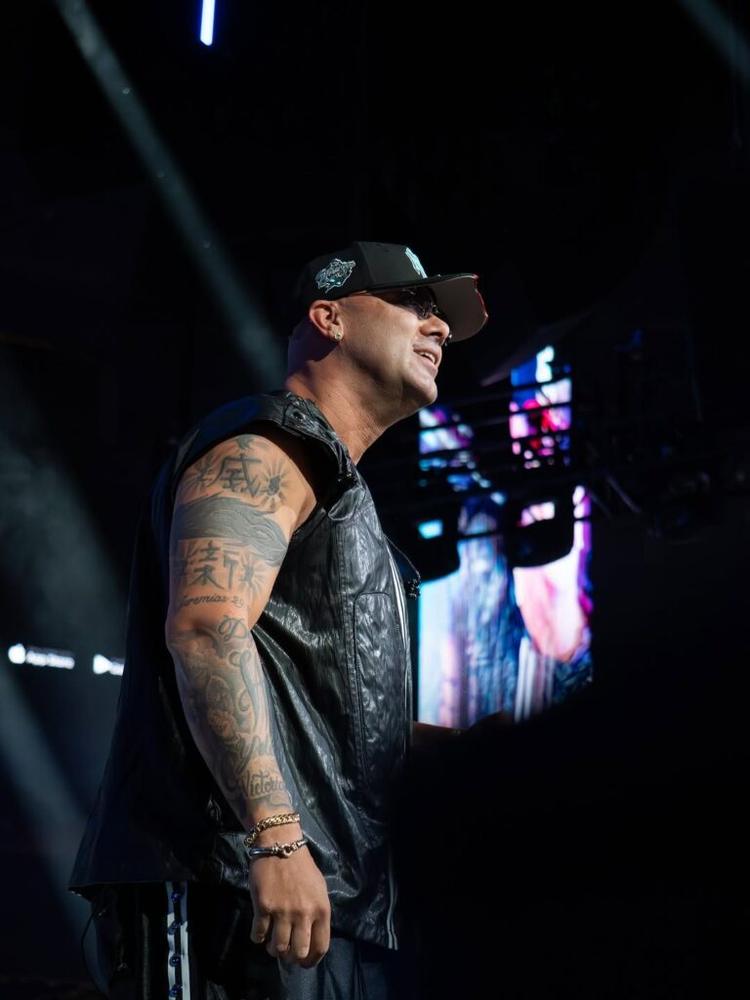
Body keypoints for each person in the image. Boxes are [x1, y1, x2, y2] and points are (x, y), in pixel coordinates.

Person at [69, 240, 488, 999]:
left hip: (325, 905)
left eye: (440, 317)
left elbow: (327, 715)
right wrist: (276, 837)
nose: (438, 328)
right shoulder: (267, 446)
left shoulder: (344, 499)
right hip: (233, 884)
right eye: (413, 305)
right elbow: (207, 628)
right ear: (330, 317)